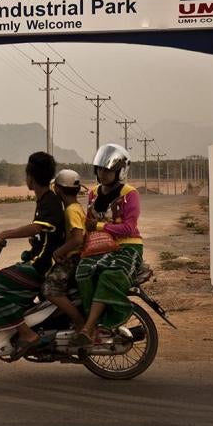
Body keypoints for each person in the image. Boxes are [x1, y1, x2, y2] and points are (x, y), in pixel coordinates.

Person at [0, 152, 65, 355]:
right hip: (38, 262)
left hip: (41, 268)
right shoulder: (46, 199)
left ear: (31, 177)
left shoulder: (49, 202)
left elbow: (36, 228)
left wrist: (4, 234)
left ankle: (26, 333)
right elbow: (43, 234)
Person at [73, 143, 143, 347]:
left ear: (120, 172)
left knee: (108, 275)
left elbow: (129, 228)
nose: (103, 174)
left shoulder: (130, 194)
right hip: (99, 247)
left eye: (108, 170)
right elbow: (88, 222)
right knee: (82, 273)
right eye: (100, 169)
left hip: (127, 247)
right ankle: (89, 322)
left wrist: (100, 225)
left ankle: (89, 327)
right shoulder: (93, 193)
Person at [42, 169, 87, 332]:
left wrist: (58, 252)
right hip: (75, 258)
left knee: (49, 290)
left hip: (72, 260)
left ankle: (78, 320)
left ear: (58, 189)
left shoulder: (70, 211)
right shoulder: (76, 207)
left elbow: (77, 239)